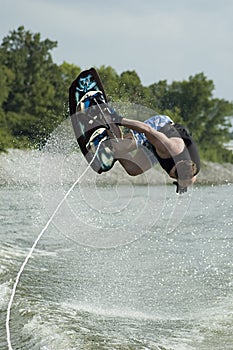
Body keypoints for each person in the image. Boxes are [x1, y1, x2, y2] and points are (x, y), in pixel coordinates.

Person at [104, 111, 201, 194]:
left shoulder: (191, 175)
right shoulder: (170, 148)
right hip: (159, 128)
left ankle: (110, 144)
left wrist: (182, 184)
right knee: (123, 147)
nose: (171, 175)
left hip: (157, 148)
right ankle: (107, 116)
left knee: (133, 169)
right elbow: (147, 129)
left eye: (175, 177)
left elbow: (189, 178)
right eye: (174, 173)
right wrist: (118, 119)